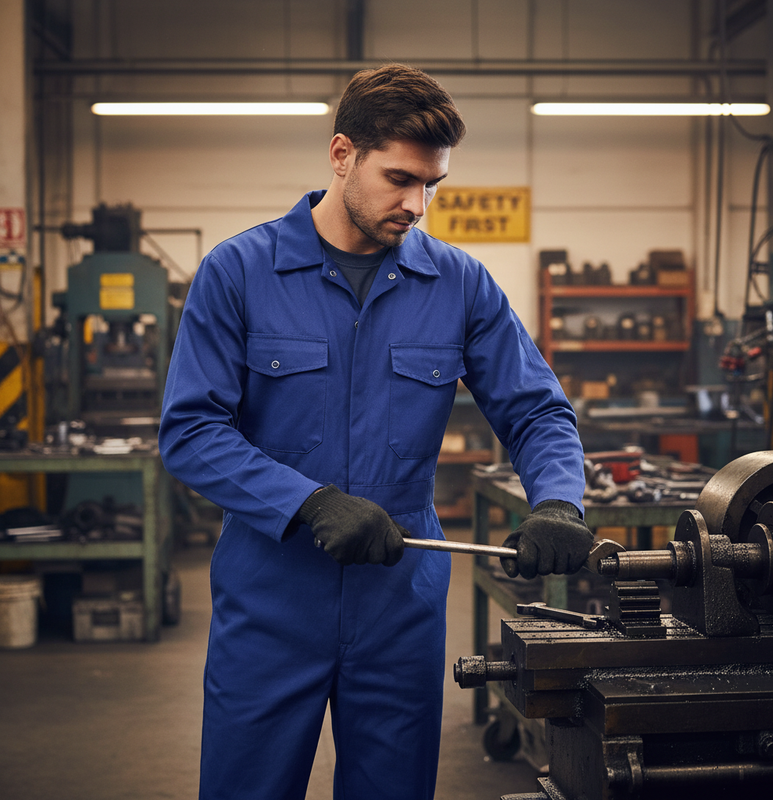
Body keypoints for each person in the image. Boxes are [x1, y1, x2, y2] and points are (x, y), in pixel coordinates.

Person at [159, 63, 592, 800]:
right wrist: (308, 504)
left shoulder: (460, 285)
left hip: (400, 600)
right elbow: (192, 431)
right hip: (272, 595)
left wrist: (558, 501)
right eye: (399, 179)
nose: (417, 204)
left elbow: (536, 409)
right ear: (341, 155)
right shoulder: (238, 273)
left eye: (432, 185)